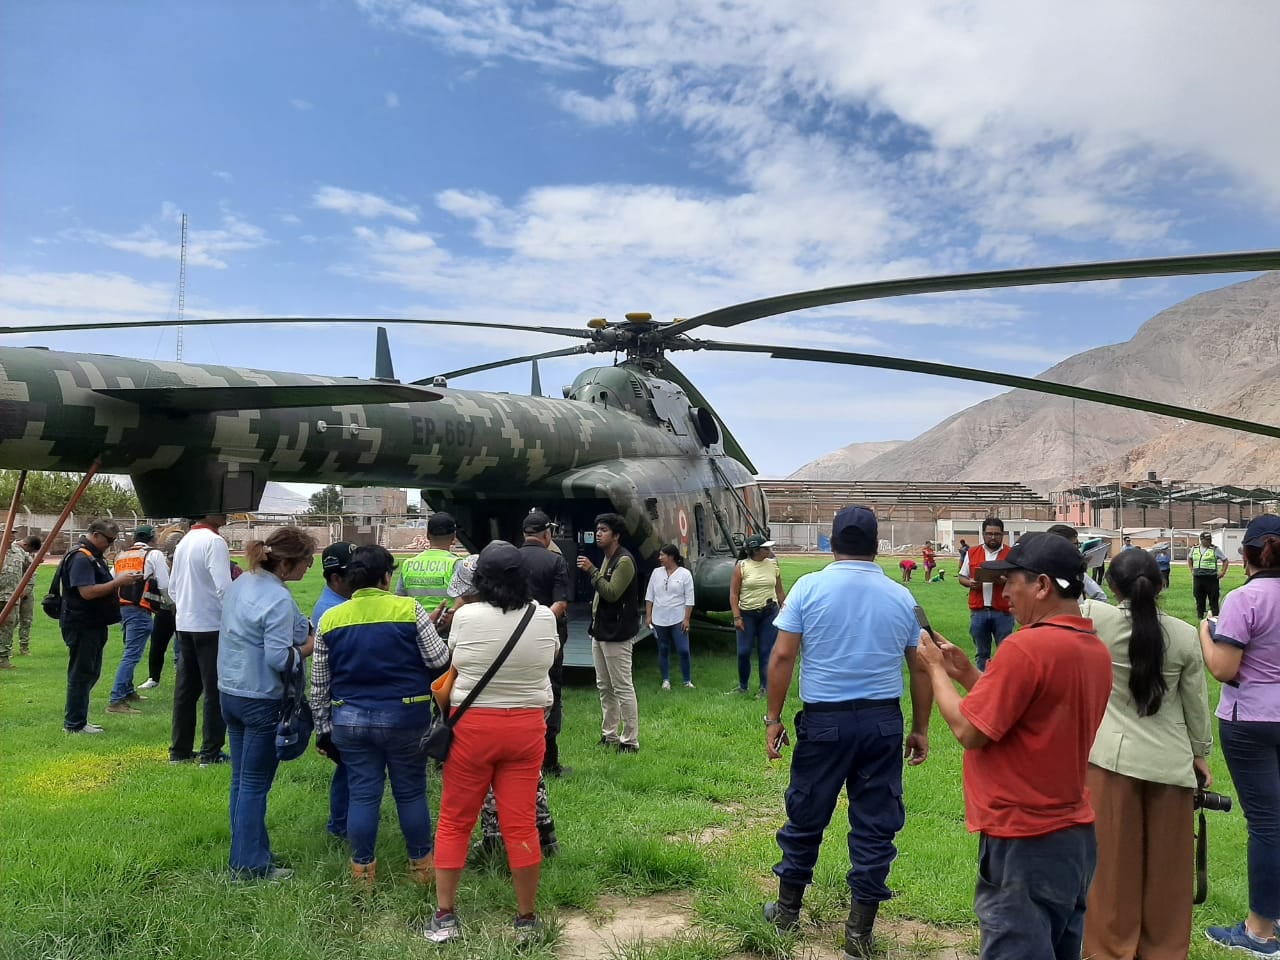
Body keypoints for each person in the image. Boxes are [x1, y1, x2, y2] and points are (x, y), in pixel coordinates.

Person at [917, 532, 1112, 960]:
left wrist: (934, 670)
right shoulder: (1093, 648)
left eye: (1011, 582)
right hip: (1073, 836)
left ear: (1041, 585)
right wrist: (966, 673)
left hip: (1023, 837)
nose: (1004, 593)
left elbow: (969, 730)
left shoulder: (1025, 646)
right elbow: (1029, 713)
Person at [761, 506, 931, 958]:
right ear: (876, 545)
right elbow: (921, 667)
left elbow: (783, 656)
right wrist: (920, 728)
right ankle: (859, 932)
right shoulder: (902, 597)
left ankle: (786, 913)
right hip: (882, 722)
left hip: (825, 722)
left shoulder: (807, 588)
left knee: (806, 814)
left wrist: (773, 718)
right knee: (876, 824)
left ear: (832, 542)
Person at [1081, 548, 1213, 960]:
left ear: (1111, 586)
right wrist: (1200, 754)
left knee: (1111, 870)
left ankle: (1108, 950)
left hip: (1110, 761)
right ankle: (1164, 950)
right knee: (1169, 873)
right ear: (1162, 584)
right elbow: (1195, 705)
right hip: (1171, 763)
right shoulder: (1185, 635)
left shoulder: (1094, 620)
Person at [428, 541, 558, 946]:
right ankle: (526, 918)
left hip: (472, 728)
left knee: (455, 820)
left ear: (480, 579)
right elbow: (549, 657)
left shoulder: (466, 616)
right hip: (526, 728)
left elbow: (453, 658)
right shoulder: (543, 616)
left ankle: (445, 916)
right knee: (520, 823)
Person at [311, 544, 451, 888]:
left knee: (362, 795)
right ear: (386, 578)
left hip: (349, 721)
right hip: (406, 716)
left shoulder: (330, 619)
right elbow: (438, 659)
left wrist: (323, 729)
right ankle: (421, 869)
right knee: (411, 793)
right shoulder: (409, 609)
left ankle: (363, 874)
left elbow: (319, 684)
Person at [1198, 514, 1280, 955]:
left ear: (1245, 554)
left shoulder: (1244, 598)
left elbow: (1223, 668)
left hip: (1250, 719)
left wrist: (1205, 634)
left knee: (1266, 824)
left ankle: (1259, 932)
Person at [218, 526, 315, 880]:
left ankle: (250, 852)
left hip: (230, 691)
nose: (309, 567)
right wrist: (309, 648)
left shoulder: (242, 583)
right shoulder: (278, 599)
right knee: (255, 785)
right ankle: (249, 866)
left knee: (242, 781)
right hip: (261, 698)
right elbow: (279, 658)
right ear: (287, 563)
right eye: (306, 560)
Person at [60, 519, 139, 734]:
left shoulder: (92, 556)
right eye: (108, 540)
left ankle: (79, 720)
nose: (110, 545)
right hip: (82, 624)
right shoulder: (81, 558)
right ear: (95, 534)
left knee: (90, 672)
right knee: (81, 674)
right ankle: (74, 724)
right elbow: (87, 592)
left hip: (93, 623)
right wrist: (118, 582)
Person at [168, 513, 232, 766]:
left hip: (185, 623)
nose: (226, 513)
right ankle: (211, 752)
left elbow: (173, 588)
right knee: (215, 691)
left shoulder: (184, 541)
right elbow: (224, 587)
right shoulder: (214, 542)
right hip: (211, 625)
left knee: (186, 690)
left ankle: (180, 751)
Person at [578, 513, 641, 752]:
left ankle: (630, 740)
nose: (598, 534)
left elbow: (612, 593)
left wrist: (592, 571)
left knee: (622, 685)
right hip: (601, 629)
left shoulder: (623, 561)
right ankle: (609, 734)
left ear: (616, 536)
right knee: (604, 685)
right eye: (597, 530)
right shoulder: (607, 557)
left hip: (617, 631)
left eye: (603, 530)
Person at [515, 511, 571, 777]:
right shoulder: (556, 561)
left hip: (512, 636)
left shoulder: (511, 560)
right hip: (549, 637)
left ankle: (519, 753)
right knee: (551, 689)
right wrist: (540, 622)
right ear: (547, 534)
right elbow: (561, 603)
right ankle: (549, 760)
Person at [312, 541, 356, 842]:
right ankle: (340, 825)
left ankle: (342, 823)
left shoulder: (340, 602)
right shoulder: (333, 611)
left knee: (352, 767)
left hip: (345, 700)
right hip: (343, 701)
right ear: (336, 577)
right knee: (351, 767)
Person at [105, 525, 169, 715]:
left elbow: (111, 580)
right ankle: (116, 700)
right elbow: (164, 584)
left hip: (123, 608)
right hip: (141, 609)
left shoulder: (121, 555)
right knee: (132, 654)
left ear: (134, 538)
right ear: (153, 539)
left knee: (129, 649)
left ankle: (128, 690)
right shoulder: (154, 554)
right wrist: (171, 604)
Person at [729, 534, 787, 696]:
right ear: (755, 550)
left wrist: (786, 611)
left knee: (766, 651)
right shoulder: (742, 566)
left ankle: (765, 687)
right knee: (744, 651)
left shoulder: (773, 564)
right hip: (747, 614)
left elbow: (779, 591)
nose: (769, 550)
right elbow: (734, 594)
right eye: (765, 548)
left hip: (769, 613)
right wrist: (737, 616)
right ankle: (743, 687)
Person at [958, 517, 1014, 670]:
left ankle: (1004, 679)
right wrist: (970, 583)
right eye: (989, 534)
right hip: (979, 610)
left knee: (1005, 652)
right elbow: (962, 577)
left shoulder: (1011, 554)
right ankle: (982, 680)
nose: (993, 537)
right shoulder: (972, 552)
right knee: (982, 653)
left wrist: (1006, 581)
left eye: (997, 534)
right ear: (983, 534)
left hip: (1003, 611)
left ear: (1002, 534)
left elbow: (1019, 580)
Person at [645, 543, 696, 690]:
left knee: (683, 650)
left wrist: (687, 619)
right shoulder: (656, 573)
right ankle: (665, 680)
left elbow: (689, 599)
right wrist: (648, 616)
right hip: (659, 618)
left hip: (678, 619)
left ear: (671, 556)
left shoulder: (685, 574)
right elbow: (649, 596)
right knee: (663, 649)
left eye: (662, 555)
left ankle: (687, 681)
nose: (659, 558)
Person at [139, 523, 183, 690]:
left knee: (182, 647)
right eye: (170, 558)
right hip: (165, 610)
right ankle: (153, 677)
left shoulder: (186, 567)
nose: (172, 561)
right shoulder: (161, 564)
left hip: (182, 610)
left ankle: (183, 677)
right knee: (157, 644)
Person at [395, 512, 459, 613]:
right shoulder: (457, 564)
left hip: (416, 621)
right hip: (447, 621)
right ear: (454, 537)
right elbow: (466, 601)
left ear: (428, 536)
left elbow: (400, 600)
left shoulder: (408, 564)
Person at [1046, 524, 1108, 602]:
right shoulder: (1074, 572)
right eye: (1076, 545)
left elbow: (1099, 596)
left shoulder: (1035, 572)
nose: (1078, 549)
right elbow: (1100, 596)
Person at [1188, 530, 1229, 619]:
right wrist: (1191, 569)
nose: (1209, 541)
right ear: (1201, 540)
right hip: (1198, 577)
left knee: (1213, 598)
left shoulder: (1215, 549)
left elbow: (1225, 560)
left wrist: (1222, 572)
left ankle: (1215, 617)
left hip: (1211, 578)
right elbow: (1190, 558)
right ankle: (1200, 616)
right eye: (1207, 540)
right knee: (1199, 598)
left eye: (1210, 539)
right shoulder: (1195, 549)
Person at [0, 531, 24, 669]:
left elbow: (30, 568)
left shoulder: (19, 552)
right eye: (7, 533)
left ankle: (3, 659)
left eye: (13, 533)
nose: (11, 536)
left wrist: (26, 587)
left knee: (9, 626)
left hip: (11, 596)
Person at [16, 535, 40, 657]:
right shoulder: (11, 550)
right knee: (10, 621)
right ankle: (5, 649)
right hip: (8, 591)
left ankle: (24, 647)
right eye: (30, 551)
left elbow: (31, 572)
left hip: (25, 592)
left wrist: (26, 590)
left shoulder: (25, 554)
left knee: (26, 619)